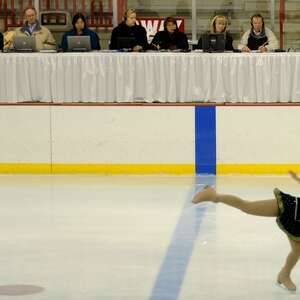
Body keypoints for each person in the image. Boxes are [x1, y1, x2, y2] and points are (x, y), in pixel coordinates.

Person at [192, 171, 300, 291]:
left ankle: (284, 275)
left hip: (296, 216)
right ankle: (214, 196)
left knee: (296, 251)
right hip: (291, 208)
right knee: (247, 207)